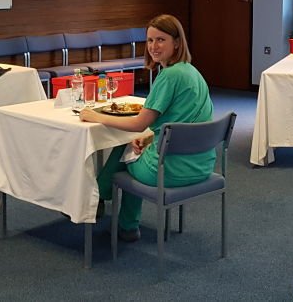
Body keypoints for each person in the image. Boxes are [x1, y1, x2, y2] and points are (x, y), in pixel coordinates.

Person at [81, 14, 214, 242]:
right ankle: (124, 223)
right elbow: (185, 123)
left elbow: (138, 123)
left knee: (123, 152)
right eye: (150, 40)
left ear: (177, 43)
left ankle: (101, 202)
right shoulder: (192, 72)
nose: (153, 46)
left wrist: (97, 116)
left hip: (169, 171)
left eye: (160, 40)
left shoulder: (169, 77)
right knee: (135, 150)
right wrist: (151, 139)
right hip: (201, 165)